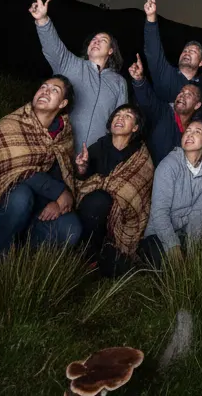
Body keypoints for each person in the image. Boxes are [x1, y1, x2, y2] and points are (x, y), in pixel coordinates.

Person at [0, 76, 81, 261]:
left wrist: (57, 202)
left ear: (63, 103)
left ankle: (20, 255)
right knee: (21, 196)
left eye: (54, 90)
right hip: (5, 201)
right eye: (43, 87)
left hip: (39, 206)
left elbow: (62, 173)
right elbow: (17, 170)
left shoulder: (63, 134)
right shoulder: (11, 125)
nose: (45, 91)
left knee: (71, 228)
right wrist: (59, 191)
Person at [30, 0, 128, 149]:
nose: (96, 42)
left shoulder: (119, 82)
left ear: (111, 51)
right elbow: (53, 47)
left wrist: (111, 151)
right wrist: (42, 20)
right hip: (62, 149)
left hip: (96, 155)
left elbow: (120, 119)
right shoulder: (71, 64)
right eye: (93, 40)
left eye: (102, 41)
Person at [74, 104, 155, 276]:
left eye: (127, 115)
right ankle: (90, 256)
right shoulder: (99, 146)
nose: (120, 118)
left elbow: (138, 188)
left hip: (124, 216)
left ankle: (105, 253)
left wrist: (114, 192)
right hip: (92, 211)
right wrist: (82, 167)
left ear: (135, 127)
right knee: (97, 201)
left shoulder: (140, 155)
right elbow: (83, 180)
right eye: (117, 115)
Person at [140, 119, 202, 267]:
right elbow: (159, 212)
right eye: (188, 131)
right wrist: (173, 247)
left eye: (197, 131)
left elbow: (198, 213)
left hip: (187, 229)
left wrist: (193, 249)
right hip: (160, 231)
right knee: (165, 263)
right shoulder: (168, 165)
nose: (190, 134)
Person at [129, 53, 202, 164]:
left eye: (189, 95)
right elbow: (148, 100)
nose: (182, 95)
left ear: (197, 105)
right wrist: (139, 80)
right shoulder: (163, 112)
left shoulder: (195, 129)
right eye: (181, 92)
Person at [141, 0, 202, 102]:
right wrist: (151, 17)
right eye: (185, 50)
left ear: (201, 62)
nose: (187, 52)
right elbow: (154, 51)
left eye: (193, 51)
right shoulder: (166, 74)